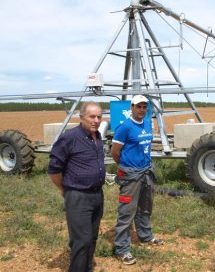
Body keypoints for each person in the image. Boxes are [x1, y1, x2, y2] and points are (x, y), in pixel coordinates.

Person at [48, 102, 105, 272]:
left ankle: (87, 268)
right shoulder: (69, 138)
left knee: (92, 237)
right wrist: (65, 189)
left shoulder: (97, 136)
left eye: (99, 117)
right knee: (81, 240)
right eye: (92, 116)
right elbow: (54, 170)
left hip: (97, 195)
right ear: (81, 118)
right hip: (78, 196)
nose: (96, 120)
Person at [111, 95, 163, 266]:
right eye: (138, 106)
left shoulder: (148, 123)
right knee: (127, 212)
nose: (141, 109)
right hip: (131, 175)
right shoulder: (124, 127)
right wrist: (126, 166)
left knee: (145, 207)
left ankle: (145, 236)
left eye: (144, 106)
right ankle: (122, 249)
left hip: (146, 171)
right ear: (131, 107)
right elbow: (115, 152)